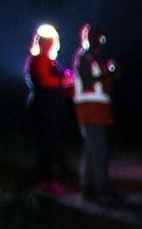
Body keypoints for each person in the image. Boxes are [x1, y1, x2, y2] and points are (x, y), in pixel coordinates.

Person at [71, 23, 121, 203]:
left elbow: (103, 85)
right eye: (96, 38)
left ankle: (89, 188)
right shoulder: (84, 57)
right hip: (89, 109)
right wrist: (107, 73)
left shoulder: (94, 59)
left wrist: (110, 75)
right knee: (98, 149)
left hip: (98, 109)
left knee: (94, 149)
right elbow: (87, 81)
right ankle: (100, 188)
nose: (99, 42)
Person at [23, 24, 76, 191]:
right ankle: (45, 180)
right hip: (44, 107)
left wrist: (67, 83)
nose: (52, 43)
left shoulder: (47, 60)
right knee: (47, 143)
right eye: (49, 40)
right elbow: (45, 82)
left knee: (52, 143)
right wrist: (63, 82)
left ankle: (51, 177)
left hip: (49, 106)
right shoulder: (39, 59)